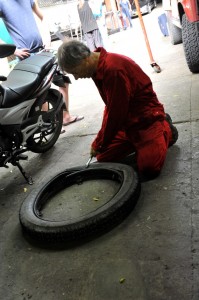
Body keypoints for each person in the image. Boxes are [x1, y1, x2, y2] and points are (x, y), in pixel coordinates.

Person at [57, 40, 178, 180]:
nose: (77, 78)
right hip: (127, 121)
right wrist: (100, 141)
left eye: (75, 72)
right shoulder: (97, 68)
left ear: (85, 58)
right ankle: (141, 145)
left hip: (146, 119)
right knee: (103, 156)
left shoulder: (113, 69)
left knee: (149, 168)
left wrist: (99, 142)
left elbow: (116, 113)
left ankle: (165, 129)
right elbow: (111, 106)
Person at [0, 0, 83, 126]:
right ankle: (48, 123)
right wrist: (14, 51)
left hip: (43, 49)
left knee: (62, 79)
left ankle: (65, 117)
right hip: (26, 55)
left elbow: (43, 18)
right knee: (40, 90)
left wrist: (47, 39)